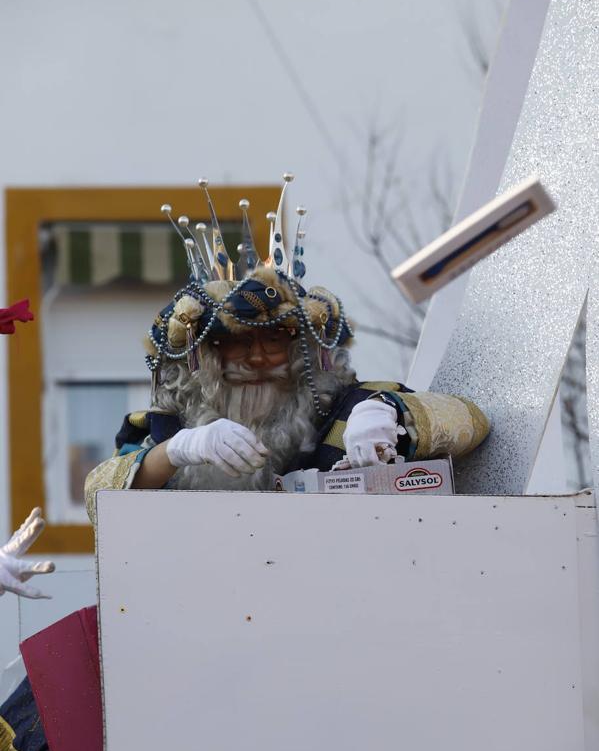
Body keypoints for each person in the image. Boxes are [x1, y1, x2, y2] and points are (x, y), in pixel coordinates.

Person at [85, 177, 490, 518]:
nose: (258, 358)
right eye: (238, 344)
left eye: (276, 341)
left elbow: (472, 420)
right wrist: (180, 449)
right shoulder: (170, 429)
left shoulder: (350, 409)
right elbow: (97, 499)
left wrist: (391, 415)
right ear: (205, 358)